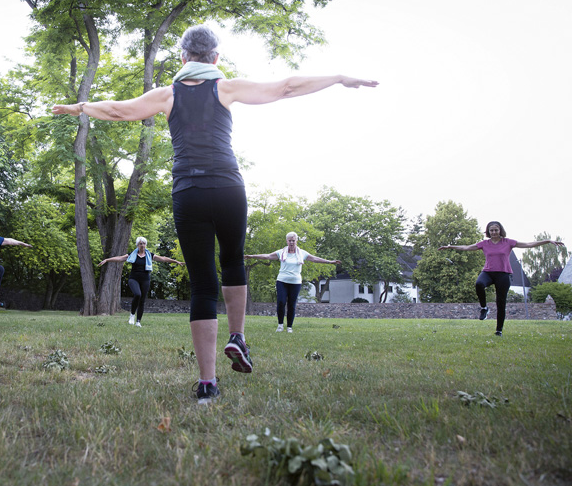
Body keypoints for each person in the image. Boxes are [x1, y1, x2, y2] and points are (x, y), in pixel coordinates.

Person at [52, 25, 377, 404]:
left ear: (184, 58)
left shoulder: (167, 94)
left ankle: (207, 383)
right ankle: (237, 336)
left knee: (203, 285)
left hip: (188, 191)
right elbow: (286, 86)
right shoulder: (225, 87)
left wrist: (80, 108)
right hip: (228, 188)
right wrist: (338, 78)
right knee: (233, 259)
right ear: (216, 59)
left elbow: (117, 110)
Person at [439, 221, 564, 336]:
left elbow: (528, 244)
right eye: (491, 230)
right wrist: (450, 247)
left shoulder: (508, 242)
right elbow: (466, 247)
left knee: (501, 303)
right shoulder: (484, 243)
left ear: (500, 231)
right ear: (488, 232)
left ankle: (499, 330)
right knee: (479, 284)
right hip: (488, 272)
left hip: (503, 274)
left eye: (496, 230)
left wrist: (547, 241)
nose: (493, 232)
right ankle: (484, 308)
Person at [245, 232, 340, 333]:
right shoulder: (281, 252)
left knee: (291, 304)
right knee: (281, 302)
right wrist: (251, 256)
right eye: (289, 240)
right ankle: (280, 325)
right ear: (287, 241)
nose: (291, 242)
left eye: (293, 240)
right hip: (282, 281)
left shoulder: (302, 253)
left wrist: (329, 262)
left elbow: (315, 259)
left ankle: (289, 326)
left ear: (296, 241)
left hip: (295, 282)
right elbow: (267, 256)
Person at [98, 236, 185, 327]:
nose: (142, 245)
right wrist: (107, 260)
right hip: (134, 279)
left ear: (146, 245)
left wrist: (176, 261)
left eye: (143, 243)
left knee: (142, 300)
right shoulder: (132, 255)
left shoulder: (150, 255)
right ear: (137, 245)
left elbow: (163, 259)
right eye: (140, 244)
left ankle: (138, 321)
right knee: (137, 294)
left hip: (145, 280)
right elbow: (120, 258)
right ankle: (132, 315)